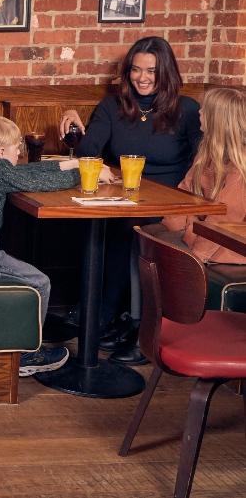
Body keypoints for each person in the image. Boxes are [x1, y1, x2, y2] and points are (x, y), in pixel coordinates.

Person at [59, 36, 202, 364]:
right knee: (111, 231)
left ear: (166, 72)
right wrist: (75, 124)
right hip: (123, 198)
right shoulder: (113, 106)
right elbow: (89, 152)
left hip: (171, 201)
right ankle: (115, 318)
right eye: (136, 70)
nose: (142, 77)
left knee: (137, 234)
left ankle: (135, 326)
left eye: (151, 70)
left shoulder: (187, 109)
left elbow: (202, 160)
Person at [0, 115, 115, 377]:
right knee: (39, 282)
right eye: (17, 149)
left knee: (32, 277)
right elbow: (39, 182)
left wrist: (73, 162)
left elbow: (25, 172)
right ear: (2, 152)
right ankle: (27, 355)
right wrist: (84, 173)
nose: (20, 153)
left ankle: (25, 341)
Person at [160, 87, 246, 265]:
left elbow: (224, 219)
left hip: (227, 247)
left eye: (204, 109)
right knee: (147, 239)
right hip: (197, 234)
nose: (199, 112)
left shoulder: (240, 166)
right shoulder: (207, 154)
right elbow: (183, 195)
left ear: (217, 120)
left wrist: (194, 254)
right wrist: (172, 228)